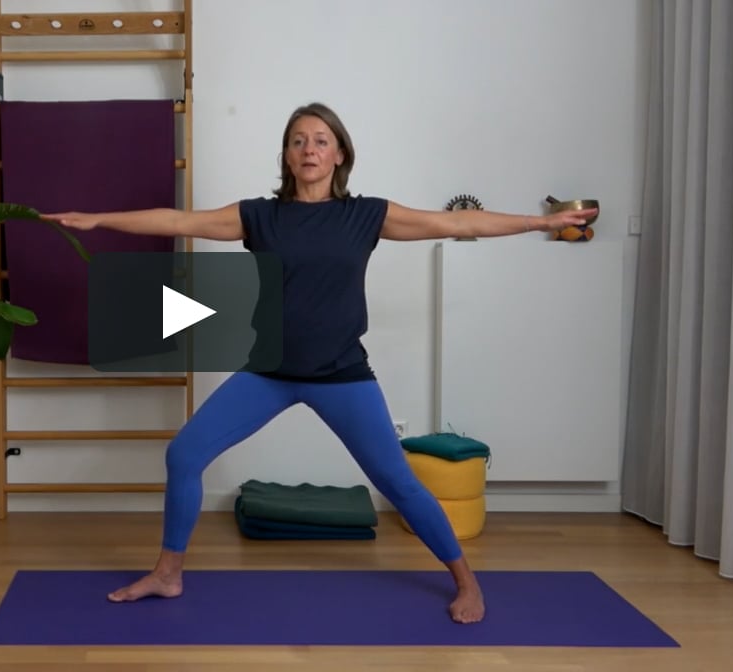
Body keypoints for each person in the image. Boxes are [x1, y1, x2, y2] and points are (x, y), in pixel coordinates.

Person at [42, 102, 597, 625]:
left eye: (321, 140)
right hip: (268, 372)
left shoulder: (366, 215)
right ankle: (168, 574)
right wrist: (100, 219)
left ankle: (466, 581)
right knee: (184, 454)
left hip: (341, 375)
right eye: (298, 141)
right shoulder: (259, 216)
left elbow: (457, 224)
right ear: (287, 156)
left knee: (398, 482)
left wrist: (539, 224)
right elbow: (177, 221)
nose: (309, 149)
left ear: (339, 155)